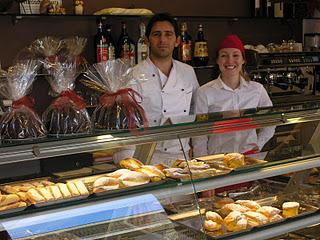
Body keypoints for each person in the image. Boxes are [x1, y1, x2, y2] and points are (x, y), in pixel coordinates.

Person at [114, 13, 199, 166]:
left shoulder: (188, 72)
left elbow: (197, 114)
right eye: (156, 34)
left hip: (183, 157)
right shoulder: (132, 75)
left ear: (177, 41)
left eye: (168, 34)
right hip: (147, 158)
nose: (162, 40)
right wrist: (130, 165)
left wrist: (198, 158)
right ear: (147, 40)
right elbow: (126, 125)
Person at [193, 34, 274, 157]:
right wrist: (203, 161)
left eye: (235, 55)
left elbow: (271, 121)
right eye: (224, 55)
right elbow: (199, 133)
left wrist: (257, 145)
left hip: (248, 158)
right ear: (218, 60)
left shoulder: (257, 90)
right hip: (218, 160)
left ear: (243, 60)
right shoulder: (204, 92)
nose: (230, 61)